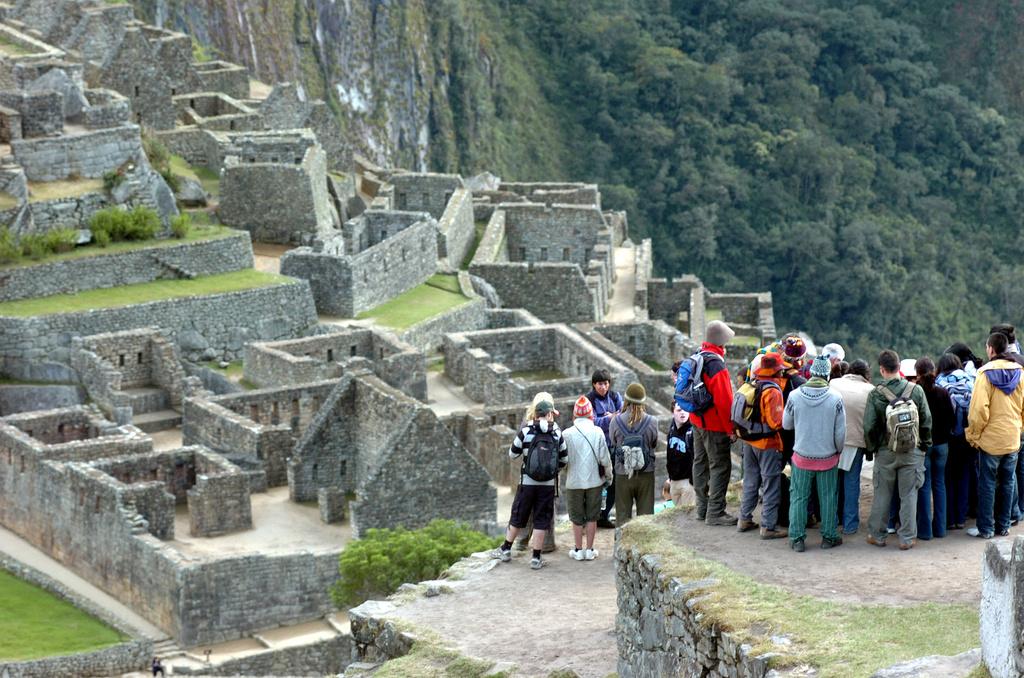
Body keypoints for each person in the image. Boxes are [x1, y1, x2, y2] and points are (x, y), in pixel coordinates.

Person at [864, 350, 932, 550]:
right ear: (899, 366)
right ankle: (908, 538)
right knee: (909, 494)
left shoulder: (876, 393)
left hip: (886, 451)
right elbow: (926, 421)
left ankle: (877, 535)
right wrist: (924, 445)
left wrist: (873, 448)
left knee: (882, 494)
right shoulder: (916, 390)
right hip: (912, 450)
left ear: (882, 369)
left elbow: (869, 426)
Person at [494, 395, 568, 569]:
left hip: (527, 482)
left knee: (518, 515)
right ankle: (536, 558)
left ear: (535, 413)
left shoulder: (526, 430)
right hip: (548, 485)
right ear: (549, 414)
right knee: (541, 519)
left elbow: (512, 454)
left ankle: (506, 549)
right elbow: (564, 459)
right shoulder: (557, 432)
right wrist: (551, 470)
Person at [782, 356, 846, 552]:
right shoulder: (836, 398)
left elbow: (786, 424)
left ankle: (797, 538)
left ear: (810, 374)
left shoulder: (794, 396)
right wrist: (838, 451)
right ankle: (828, 536)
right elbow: (840, 433)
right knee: (828, 497)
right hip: (827, 457)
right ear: (827, 374)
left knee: (799, 498)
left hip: (801, 456)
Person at [966, 332, 1024, 539]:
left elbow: (979, 410)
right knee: (1008, 481)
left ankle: (986, 529)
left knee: (988, 483)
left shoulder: (984, 374)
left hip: (990, 439)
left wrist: (973, 435)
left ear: (991, 349)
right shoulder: (1020, 372)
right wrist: (1019, 428)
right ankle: (1004, 526)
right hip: (1012, 437)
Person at [689, 320, 737, 525]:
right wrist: (731, 429)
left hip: (697, 420)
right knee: (720, 466)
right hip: (714, 425)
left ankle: (702, 508)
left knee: (700, 463)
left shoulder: (697, 356)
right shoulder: (716, 364)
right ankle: (715, 512)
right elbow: (725, 401)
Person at [737, 352, 787, 539]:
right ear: (775, 370)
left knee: (750, 480)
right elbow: (776, 423)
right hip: (767, 443)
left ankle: (744, 519)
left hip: (749, 441)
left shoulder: (751, 384)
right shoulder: (772, 391)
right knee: (770, 484)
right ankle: (768, 527)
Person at [562, 395, 612, 561]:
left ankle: (578, 549)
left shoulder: (566, 434)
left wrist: (566, 473)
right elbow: (605, 458)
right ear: (591, 415)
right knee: (592, 516)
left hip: (574, 481)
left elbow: (563, 460)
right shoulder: (597, 432)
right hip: (594, 481)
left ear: (575, 415)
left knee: (576, 518)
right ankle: (589, 549)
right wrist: (609, 476)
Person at [829, 358, 874, 535]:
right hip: (855, 441)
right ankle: (850, 524)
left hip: (831, 440)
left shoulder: (834, 383)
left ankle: (831, 520)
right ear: (866, 374)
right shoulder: (870, 390)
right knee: (852, 482)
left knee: (832, 483)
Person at [915, 357, 954, 540]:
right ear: (934, 371)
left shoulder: (916, 393)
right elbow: (952, 419)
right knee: (940, 485)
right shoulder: (943, 392)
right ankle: (940, 529)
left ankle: (925, 531)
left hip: (924, 445)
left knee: (924, 485)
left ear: (917, 373)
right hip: (942, 445)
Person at [609, 383, 660, 524]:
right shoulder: (653, 421)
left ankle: (622, 546)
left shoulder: (615, 421)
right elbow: (654, 444)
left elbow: (613, 443)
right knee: (646, 517)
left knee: (623, 516)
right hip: (646, 473)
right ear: (643, 401)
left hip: (623, 473)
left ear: (626, 399)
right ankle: (643, 546)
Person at [937, 352, 974, 530]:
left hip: (947, 436)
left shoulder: (940, 382)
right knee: (964, 475)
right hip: (966, 435)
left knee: (948, 478)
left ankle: (949, 519)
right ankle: (961, 518)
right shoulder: (970, 380)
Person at [587, 369, 623, 529]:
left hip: (614, 446)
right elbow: (591, 421)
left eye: (606, 383)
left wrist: (613, 417)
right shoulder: (589, 400)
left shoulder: (615, 397)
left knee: (613, 483)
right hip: (596, 447)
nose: (604, 387)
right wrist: (609, 418)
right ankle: (590, 516)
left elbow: (623, 415)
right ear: (594, 384)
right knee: (595, 483)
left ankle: (604, 515)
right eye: (600, 384)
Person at [664, 403, 695, 507]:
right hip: (674, 482)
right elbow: (670, 455)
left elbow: (699, 458)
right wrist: (670, 478)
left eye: (685, 410)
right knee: (679, 519)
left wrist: (692, 482)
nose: (683, 412)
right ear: (673, 412)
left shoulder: (692, 431)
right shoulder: (672, 429)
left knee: (688, 517)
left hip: (688, 482)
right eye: (679, 410)